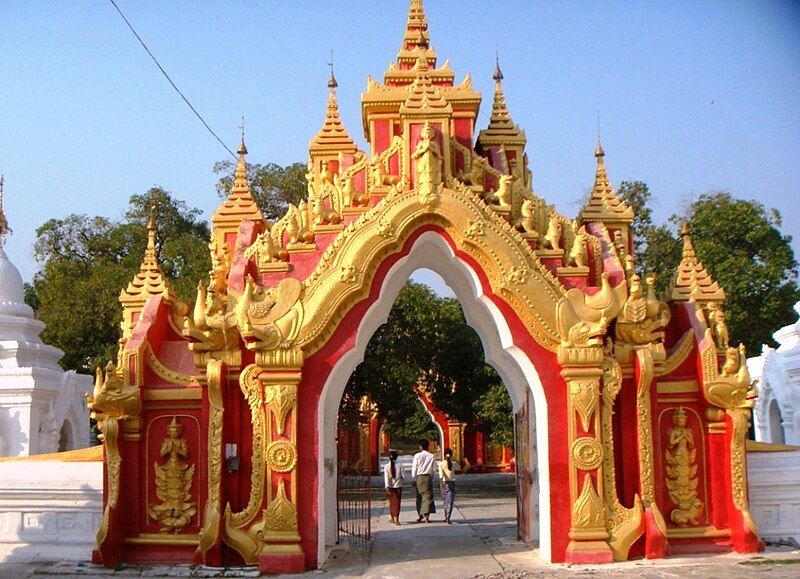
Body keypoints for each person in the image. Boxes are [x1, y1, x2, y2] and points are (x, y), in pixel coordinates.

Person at [411, 438, 436, 523]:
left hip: (419, 477)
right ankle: (427, 517)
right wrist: (431, 477)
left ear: (420, 446)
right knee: (428, 497)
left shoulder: (417, 455)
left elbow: (415, 467)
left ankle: (420, 515)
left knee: (419, 497)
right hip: (427, 477)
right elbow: (434, 469)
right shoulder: (431, 456)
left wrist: (414, 478)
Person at [384, 450, 404, 525]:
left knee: (392, 503)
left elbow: (386, 478)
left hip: (390, 487)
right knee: (397, 502)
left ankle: (392, 518)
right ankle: (397, 520)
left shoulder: (386, 466)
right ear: (397, 457)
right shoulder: (400, 465)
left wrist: (387, 486)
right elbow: (404, 476)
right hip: (398, 486)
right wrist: (401, 481)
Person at [439, 448, 456, 524]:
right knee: (450, 500)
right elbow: (462, 470)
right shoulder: (453, 463)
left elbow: (441, 475)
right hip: (451, 482)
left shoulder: (441, 464)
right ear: (451, 455)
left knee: (445, 500)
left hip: (444, 483)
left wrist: (440, 485)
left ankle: (446, 516)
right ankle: (448, 517)